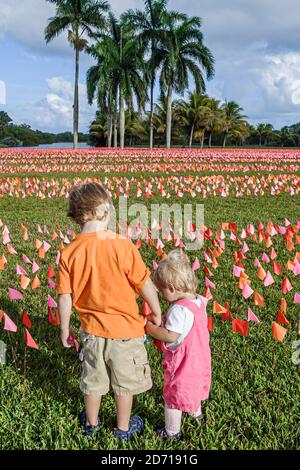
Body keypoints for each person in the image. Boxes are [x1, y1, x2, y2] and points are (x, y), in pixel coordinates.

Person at [56, 182, 161, 440]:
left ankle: (91, 424)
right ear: (105, 213)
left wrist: (64, 327)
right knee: (124, 385)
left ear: (77, 216)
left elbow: (65, 297)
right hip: (126, 331)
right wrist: (156, 312)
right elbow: (144, 283)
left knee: (93, 382)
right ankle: (123, 429)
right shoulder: (122, 245)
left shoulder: (69, 252)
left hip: (91, 333)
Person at [146, 249, 211, 440]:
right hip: (199, 357)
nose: (160, 293)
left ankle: (172, 432)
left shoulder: (179, 310)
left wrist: (150, 329)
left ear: (173, 288)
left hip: (183, 361)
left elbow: (171, 336)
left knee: (174, 394)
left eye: (162, 290)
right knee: (194, 385)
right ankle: (196, 414)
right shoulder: (199, 302)